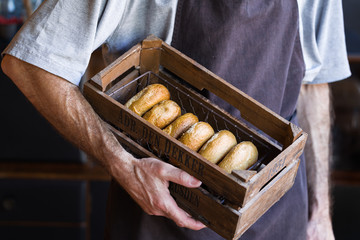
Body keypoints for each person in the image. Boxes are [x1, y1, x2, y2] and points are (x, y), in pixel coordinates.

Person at [1, 0, 350, 239]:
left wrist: (320, 214)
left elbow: (313, 82)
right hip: (161, 211)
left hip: (279, 215)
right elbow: (31, 63)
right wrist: (122, 164)